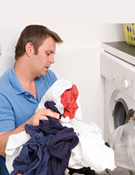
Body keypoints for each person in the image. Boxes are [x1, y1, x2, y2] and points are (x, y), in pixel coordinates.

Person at [0, 24, 63, 175]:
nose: (52, 60)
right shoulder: (3, 91)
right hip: (18, 165)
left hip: (49, 158)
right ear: (29, 49)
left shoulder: (49, 78)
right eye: (48, 53)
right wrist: (29, 124)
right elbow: (1, 146)